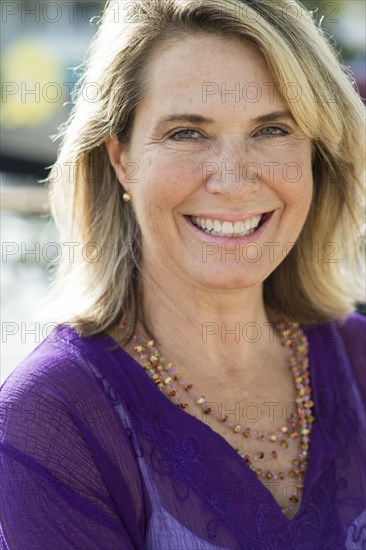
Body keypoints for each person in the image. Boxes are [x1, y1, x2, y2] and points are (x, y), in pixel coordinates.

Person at [1, 0, 365, 548]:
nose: (233, 180)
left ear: (315, 153)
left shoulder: (358, 357)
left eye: (271, 129)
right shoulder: (53, 417)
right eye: (186, 133)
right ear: (121, 157)